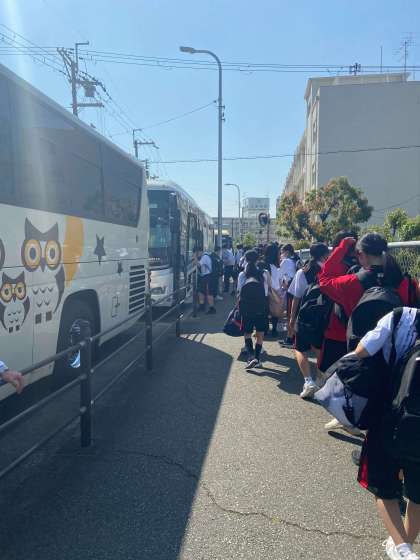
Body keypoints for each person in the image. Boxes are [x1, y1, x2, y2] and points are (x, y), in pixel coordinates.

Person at [319, 232, 417, 434]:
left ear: (361, 255)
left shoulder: (352, 283)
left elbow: (324, 280)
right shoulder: (406, 282)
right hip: (399, 351)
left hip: (362, 349)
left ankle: (353, 424)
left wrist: (341, 248)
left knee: (363, 397)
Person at [353, 307, 420, 560]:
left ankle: (403, 549)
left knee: (383, 486)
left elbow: (361, 351)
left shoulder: (401, 317)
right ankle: (405, 546)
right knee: (417, 493)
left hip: (391, 417)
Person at [288, 242, 329, 398]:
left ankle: (308, 381)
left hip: (305, 315)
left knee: (300, 348)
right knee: (319, 348)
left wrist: (292, 319)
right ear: (324, 255)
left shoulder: (302, 272)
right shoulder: (329, 270)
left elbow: (296, 297)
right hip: (324, 314)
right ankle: (321, 380)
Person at [237, 250, 269, 369]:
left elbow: (239, 293)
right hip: (261, 307)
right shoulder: (264, 273)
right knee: (260, 333)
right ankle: (257, 358)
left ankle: (250, 357)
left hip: (246, 308)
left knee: (247, 333)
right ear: (257, 259)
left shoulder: (242, 275)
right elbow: (266, 291)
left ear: (245, 259)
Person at [279, 244, 297, 345]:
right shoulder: (295, 260)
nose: (281, 254)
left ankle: (290, 338)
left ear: (287, 252)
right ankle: (291, 337)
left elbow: (279, 274)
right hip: (295, 289)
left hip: (290, 289)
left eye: (282, 252)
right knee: (293, 314)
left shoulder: (286, 261)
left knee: (290, 315)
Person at [263, 244, 282, 338]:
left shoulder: (262, 264)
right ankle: (274, 330)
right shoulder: (275, 267)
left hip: (262, 293)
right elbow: (277, 284)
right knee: (274, 312)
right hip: (273, 292)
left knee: (264, 312)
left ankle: (265, 330)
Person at [196, 248, 217, 314]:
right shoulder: (205, 256)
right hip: (205, 277)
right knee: (200, 291)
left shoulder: (204, 257)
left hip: (208, 277)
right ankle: (202, 306)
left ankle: (212, 308)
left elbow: (199, 264)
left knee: (209, 293)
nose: (197, 254)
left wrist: (194, 258)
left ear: (200, 251)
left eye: (197, 253)